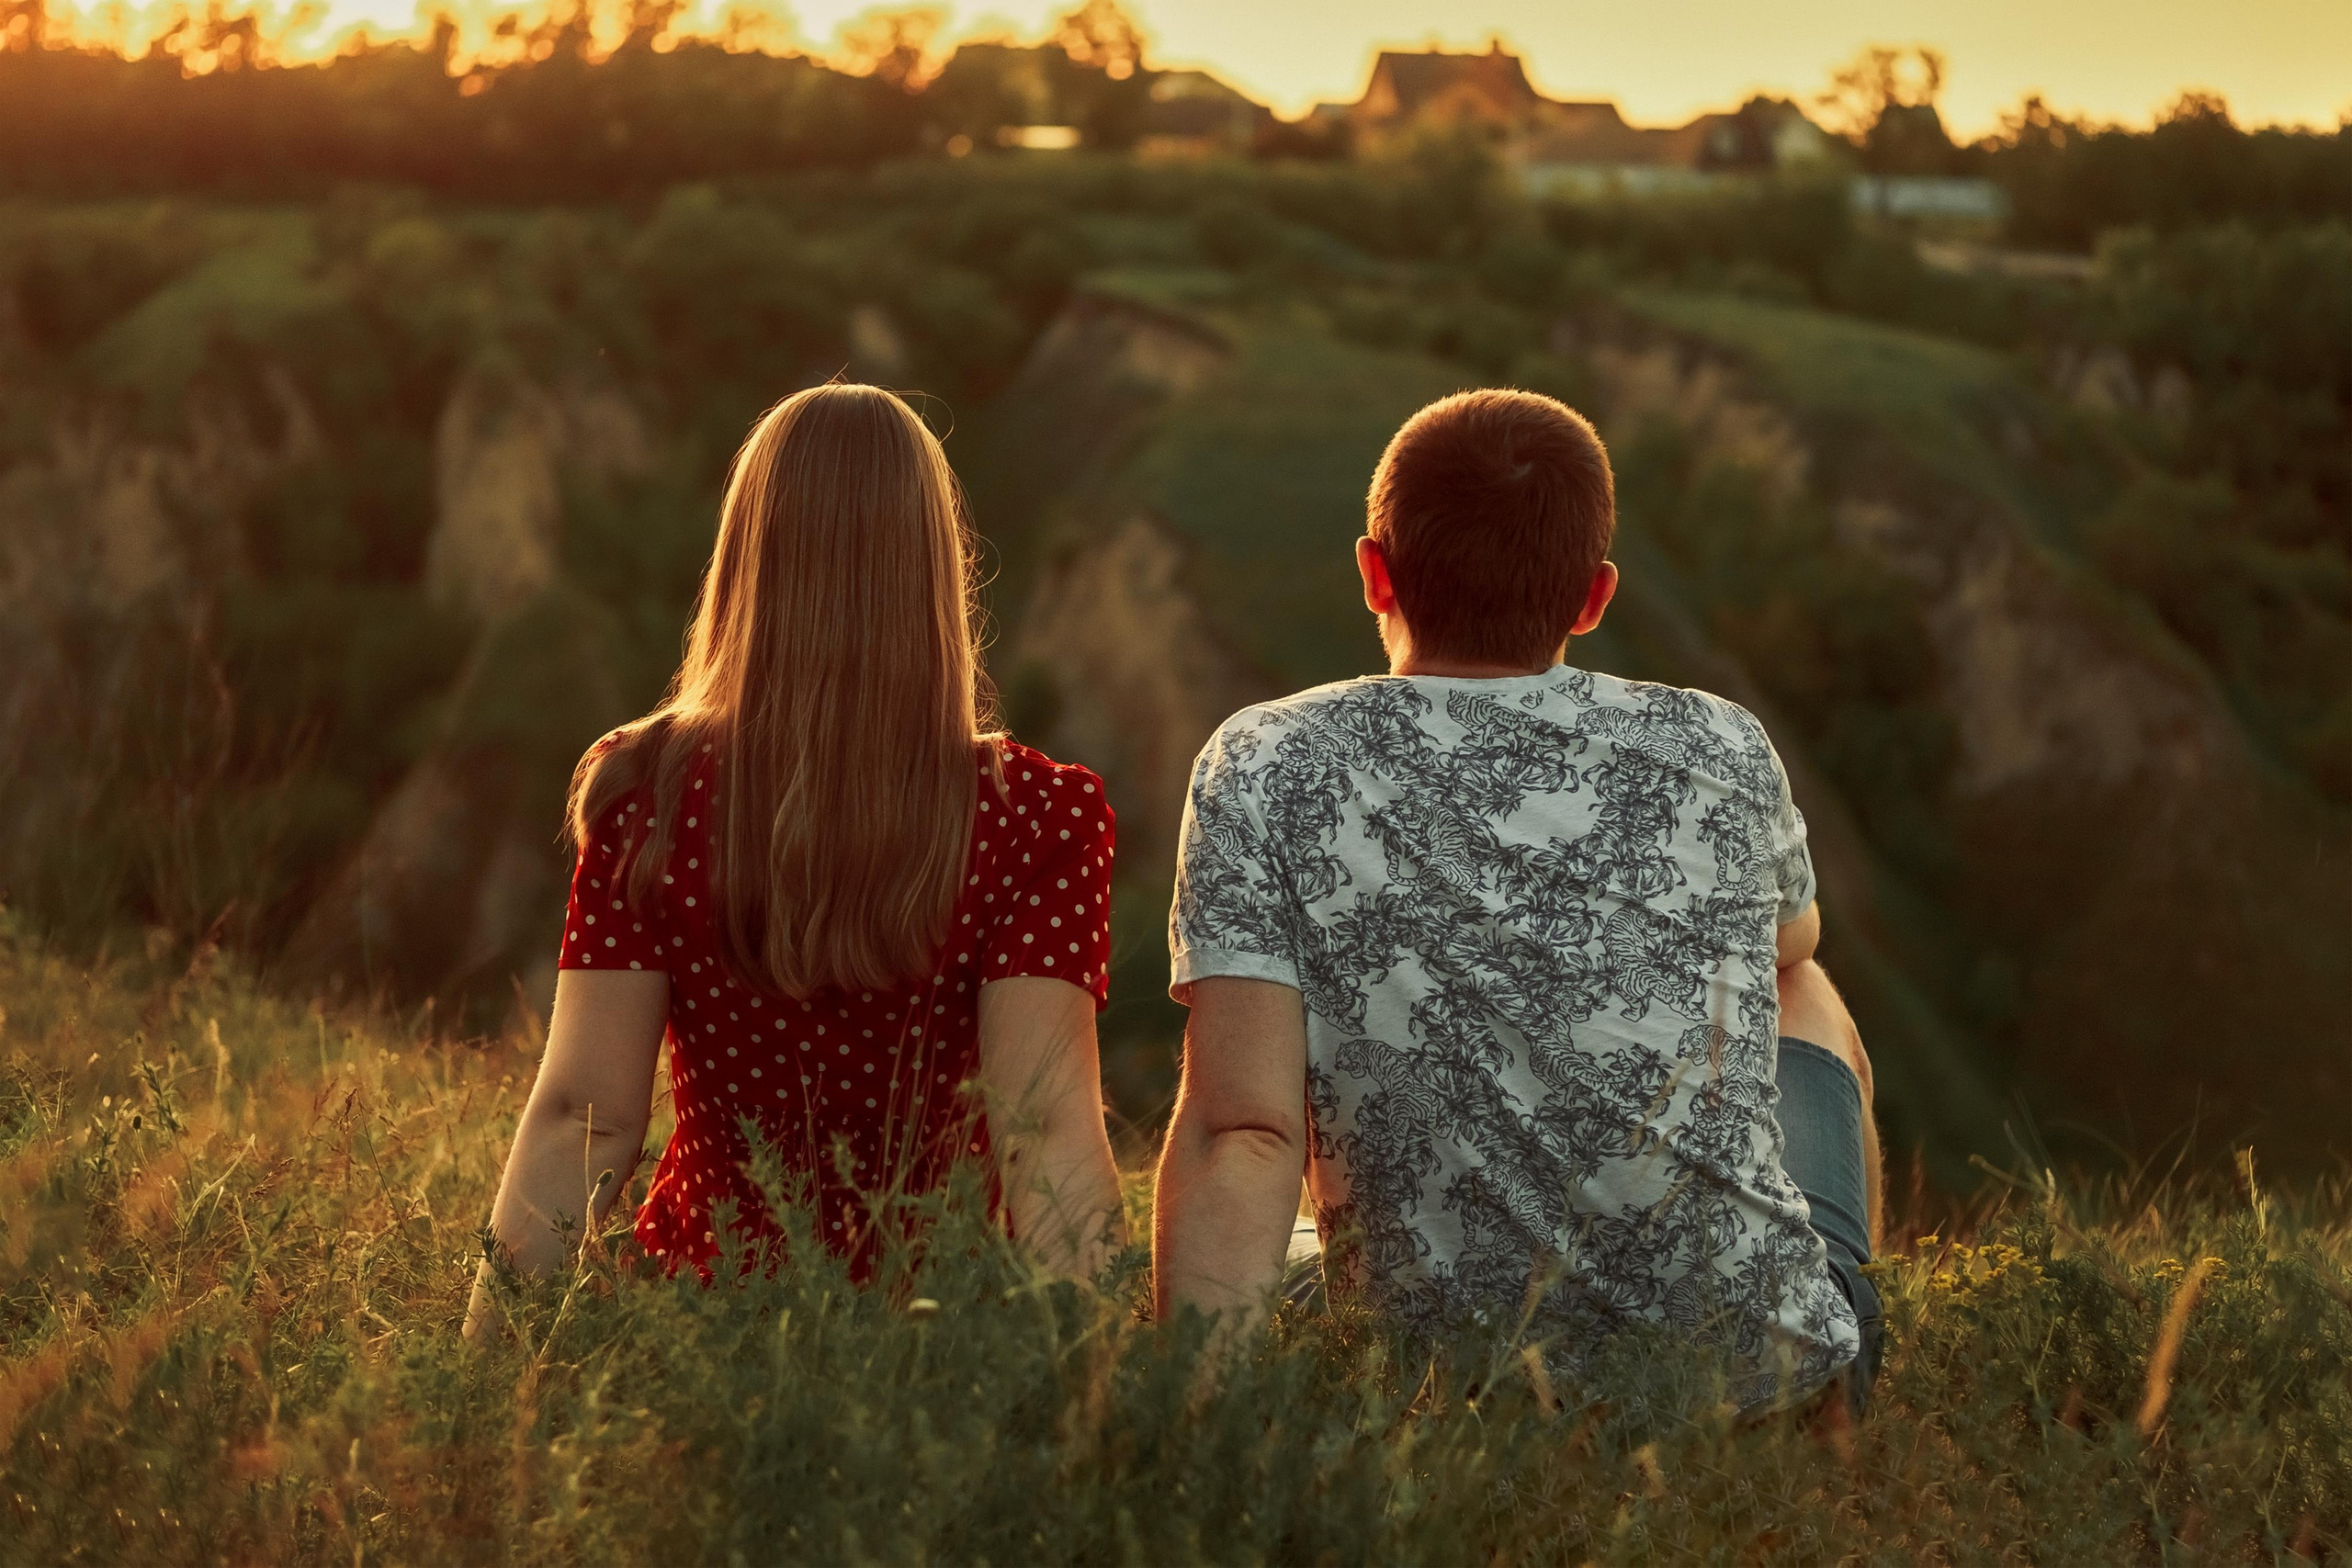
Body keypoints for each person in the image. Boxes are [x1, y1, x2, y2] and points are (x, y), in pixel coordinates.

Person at [1152, 389, 1883, 1413]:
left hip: (1444, 1389)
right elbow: (1791, 939)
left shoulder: (1266, 762)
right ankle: (1826, 1351)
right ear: (1593, 597)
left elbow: (1249, 1133)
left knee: (1318, 1217)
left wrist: (1183, 1429)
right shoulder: (1720, 742)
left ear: (1373, 572)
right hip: (1754, 1384)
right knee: (1803, 987)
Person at [468, 383, 1124, 1336]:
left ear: (747, 557)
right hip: (934, 1341)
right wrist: (1102, 1406)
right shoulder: (1036, 817)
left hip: (699, 1327)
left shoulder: (644, 789)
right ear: (934, 570)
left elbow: (585, 1119)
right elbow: (1045, 1133)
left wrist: (478, 1392)